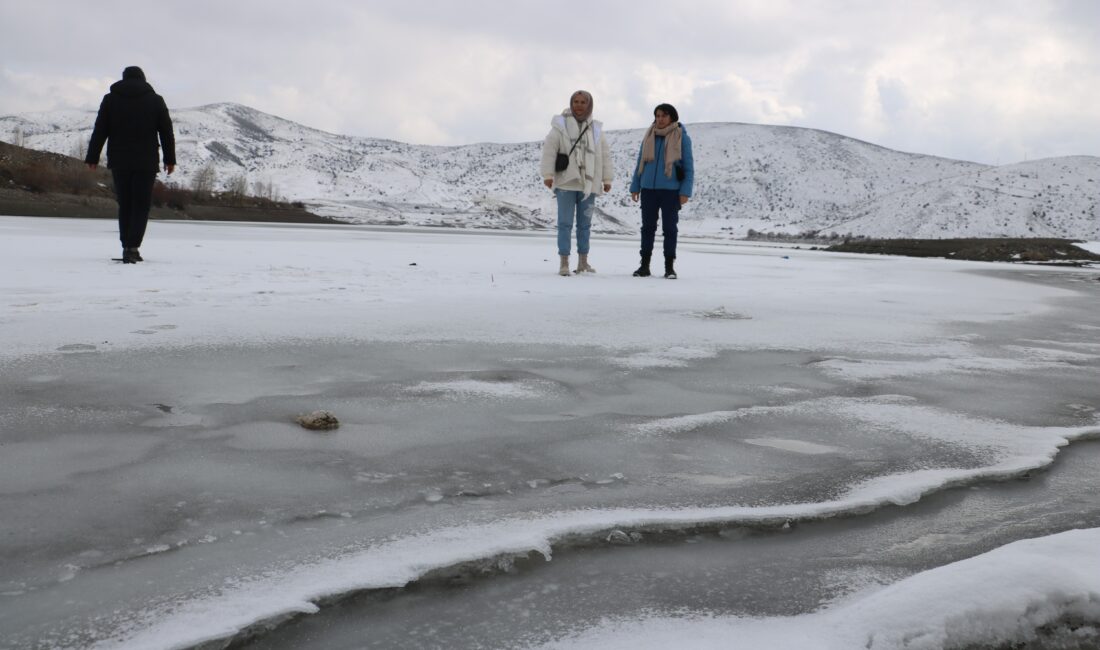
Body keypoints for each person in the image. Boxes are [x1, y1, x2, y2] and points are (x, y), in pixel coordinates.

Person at [86, 66, 176, 264]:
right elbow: (166, 132)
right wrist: (170, 159)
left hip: (120, 160)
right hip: (146, 161)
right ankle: (133, 247)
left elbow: (100, 129)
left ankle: (126, 245)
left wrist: (92, 157)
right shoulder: (155, 100)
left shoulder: (110, 99)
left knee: (125, 204)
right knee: (141, 205)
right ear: (143, 79)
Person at [540, 90, 613, 276]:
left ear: (589, 105)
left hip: (588, 184)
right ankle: (564, 262)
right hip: (566, 181)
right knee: (565, 224)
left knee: (585, 225)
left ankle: (583, 262)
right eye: (575, 101)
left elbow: (604, 155)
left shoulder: (596, 129)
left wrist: (607, 178)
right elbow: (550, 150)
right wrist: (548, 174)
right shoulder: (560, 125)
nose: (579, 105)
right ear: (571, 104)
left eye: (583, 102)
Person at [629, 103, 693, 279]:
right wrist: (635, 186)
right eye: (657, 115)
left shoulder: (682, 137)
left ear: (672, 117)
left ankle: (669, 267)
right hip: (648, 189)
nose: (660, 119)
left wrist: (685, 191)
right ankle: (644, 266)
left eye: (664, 115)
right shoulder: (649, 135)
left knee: (670, 229)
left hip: (671, 191)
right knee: (647, 228)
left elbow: (689, 167)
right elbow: (640, 163)